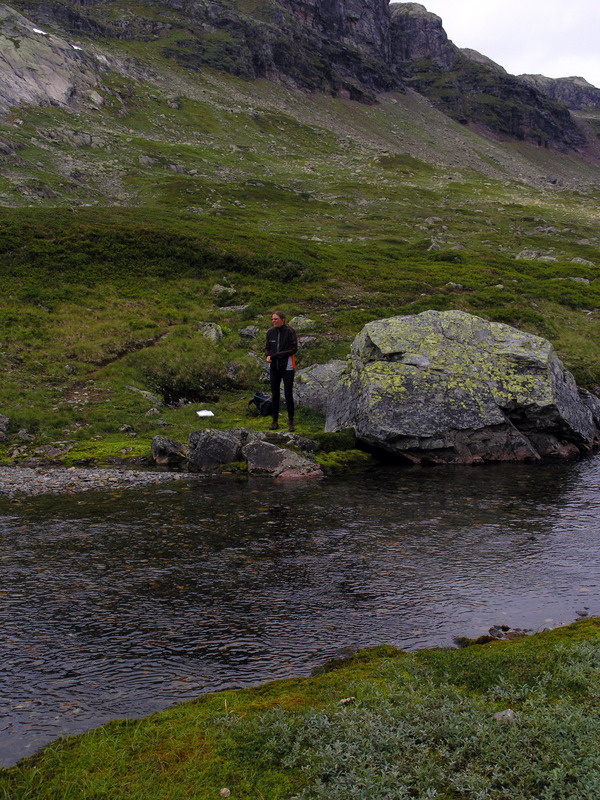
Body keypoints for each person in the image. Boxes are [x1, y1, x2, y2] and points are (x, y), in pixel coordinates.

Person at [265, 311, 298, 431]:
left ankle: (291, 422)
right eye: (272, 319)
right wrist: (268, 355)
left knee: (288, 394)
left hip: (287, 367)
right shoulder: (270, 332)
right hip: (274, 367)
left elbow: (294, 349)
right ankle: (274, 422)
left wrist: (276, 355)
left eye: (276, 319)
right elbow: (267, 348)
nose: (274, 321)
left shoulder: (290, 331)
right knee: (275, 394)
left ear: (283, 319)